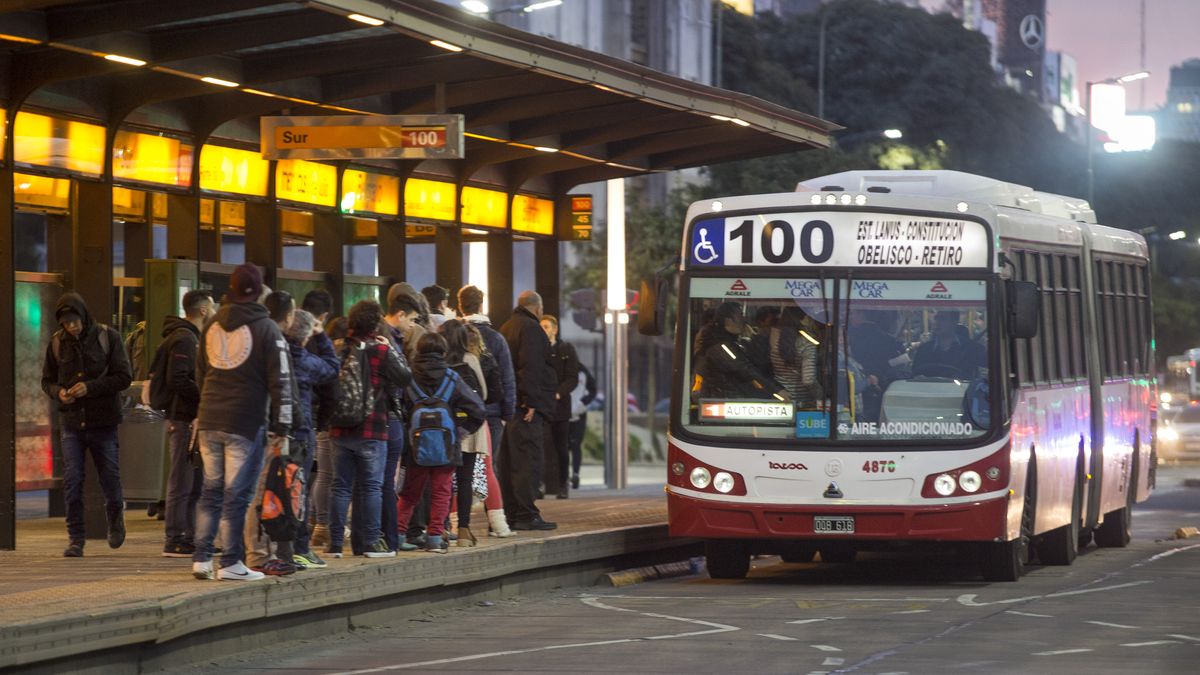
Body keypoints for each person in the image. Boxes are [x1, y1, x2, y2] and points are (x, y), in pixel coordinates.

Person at [191, 264, 292, 582]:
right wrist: (283, 424)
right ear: (259, 292)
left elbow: (200, 373)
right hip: (244, 422)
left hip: (209, 418)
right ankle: (231, 561)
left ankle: (202, 558)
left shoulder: (211, 325)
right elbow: (281, 381)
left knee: (211, 492)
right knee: (238, 494)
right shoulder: (267, 329)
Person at [42, 292, 133, 557]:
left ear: (84, 316)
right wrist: (58, 391)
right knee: (72, 479)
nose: (72, 327)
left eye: (75, 321)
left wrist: (90, 388)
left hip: (103, 420)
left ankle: (115, 519)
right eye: (66, 323)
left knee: (110, 476)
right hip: (71, 421)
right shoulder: (58, 343)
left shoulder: (108, 337)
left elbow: (124, 377)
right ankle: (76, 538)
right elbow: (46, 379)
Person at [327, 299, 411, 559]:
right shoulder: (381, 351)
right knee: (372, 487)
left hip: (340, 429)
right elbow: (405, 377)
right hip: (372, 429)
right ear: (375, 324)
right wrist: (391, 349)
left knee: (340, 487)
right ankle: (373, 542)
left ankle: (334, 544)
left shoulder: (338, 348)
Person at [396, 333, 486, 552]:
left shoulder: (408, 377)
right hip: (446, 445)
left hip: (415, 446)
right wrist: (460, 431)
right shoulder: (451, 378)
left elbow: (398, 408)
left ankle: (397, 535)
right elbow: (478, 410)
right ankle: (435, 538)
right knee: (441, 492)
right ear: (443, 353)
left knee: (409, 493)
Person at [244, 291, 302, 576]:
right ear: (288, 315)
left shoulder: (248, 337)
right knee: (263, 492)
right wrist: (284, 425)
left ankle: (249, 553)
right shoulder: (274, 340)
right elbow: (283, 385)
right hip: (268, 427)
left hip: (249, 424)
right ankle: (258, 555)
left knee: (248, 491)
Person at [159, 289, 215, 557]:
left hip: (188, 418)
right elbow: (178, 379)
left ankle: (191, 535)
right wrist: (205, 393)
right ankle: (175, 538)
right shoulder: (184, 338)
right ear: (203, 310)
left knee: (193, 480)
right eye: (212, 307)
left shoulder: (190, 337)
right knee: (181, 480)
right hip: (181, 418)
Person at [457, 285, 516, 538]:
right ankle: (497, 524)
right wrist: (507, 413)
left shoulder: (453, 334)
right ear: (481, 304)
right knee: (488, 466)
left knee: (459, 469)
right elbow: (507, 377)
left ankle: (454, 524)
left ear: (460, 305)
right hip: (490, 414)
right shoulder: (496, 338)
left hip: (459, 414)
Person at [498, 290, 558, 530]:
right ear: (538, 308)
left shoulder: (507, 326)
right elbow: (530, 366)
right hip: (526, 409)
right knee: (528, 462)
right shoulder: (531, 329)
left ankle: (512, 513)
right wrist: (530, 402)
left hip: (512, 407)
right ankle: (526, 514)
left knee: (511, 463)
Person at [285, 308, 340, 570]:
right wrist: (323, 337)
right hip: (301, 431)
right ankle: (300, 548)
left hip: (272, 430)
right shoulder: (304, 360)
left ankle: (275, 547)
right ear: (307, 336)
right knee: (300, 489)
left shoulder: (272, 355)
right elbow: (332, 368)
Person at [439, 320, 491, 546]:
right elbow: (484, 394)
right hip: (468, 428)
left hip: (442, 427)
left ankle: (440, 526)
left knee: (442, 478)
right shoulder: (470, 359)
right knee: (465, 478)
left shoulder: (438, 361)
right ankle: (463, 530)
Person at [692, 301, 787, 401]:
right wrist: (776, 389)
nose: (744, 320)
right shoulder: (722, 347)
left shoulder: (731, 342)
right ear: (728, 321)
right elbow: (744, 368)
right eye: (740, 316)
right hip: (725, 400)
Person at [309, 315, 347, 548]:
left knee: (323, 475)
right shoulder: (351, 354)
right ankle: (336, 527)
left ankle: (320, 525)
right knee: (342, 480)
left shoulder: (321, 355)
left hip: (323, 421)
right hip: (344, 422)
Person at [539, 315, 580, 499]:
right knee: (540, 446)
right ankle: (539, 484)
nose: (544, 330)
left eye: (546, 327)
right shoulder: (537, 350)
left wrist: (558, 393)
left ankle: (563, 484)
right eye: (541, 327)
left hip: (560, 406)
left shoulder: (566, 349)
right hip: (542, 405)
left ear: (554, 330)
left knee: (561, 447)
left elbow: (572, 377)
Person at [766, 306, 822, 408]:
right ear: (804, 320)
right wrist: (820, 395)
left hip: (778, 397)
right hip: (801, 401)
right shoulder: (806, 344)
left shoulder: (772, 339)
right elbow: (808, 379)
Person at [911, 310, 987, 378]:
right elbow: (915, 374)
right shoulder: (924, 349)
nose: (937, 322)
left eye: (942, 318)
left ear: (954, 322)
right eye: (936, 318)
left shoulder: (972, 349)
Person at [567, 363, 597, 490]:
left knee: (576, 445)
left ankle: (575, 474)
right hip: (564, 413)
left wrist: (583, 403)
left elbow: (593, 390)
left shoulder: (583, 372)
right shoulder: (561, 369)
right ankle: (565, 476)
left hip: (579, 412)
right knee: (564, 446)